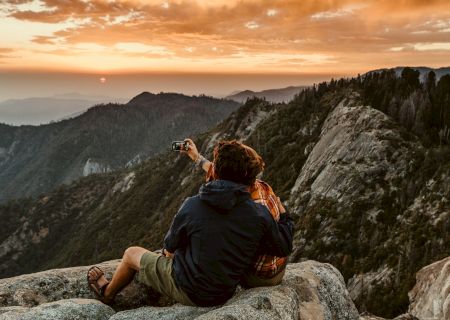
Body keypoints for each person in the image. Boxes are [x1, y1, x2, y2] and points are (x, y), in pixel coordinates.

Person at [87, 140, 294, 307]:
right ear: (249, 180)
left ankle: (106, 293)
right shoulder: (259, 213)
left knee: (131, 253)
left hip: (191, 290)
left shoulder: (193, 206)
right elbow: (283, 246)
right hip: (226, 291)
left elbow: (169, 250)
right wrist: (284, 216)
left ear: (217, 173)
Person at [181, 138, 289, 287]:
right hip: (277, 267)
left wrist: (285, 218)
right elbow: (216, 170)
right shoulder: (256, 185)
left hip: (259, 276)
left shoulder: (251, 207)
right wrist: (196, 156)